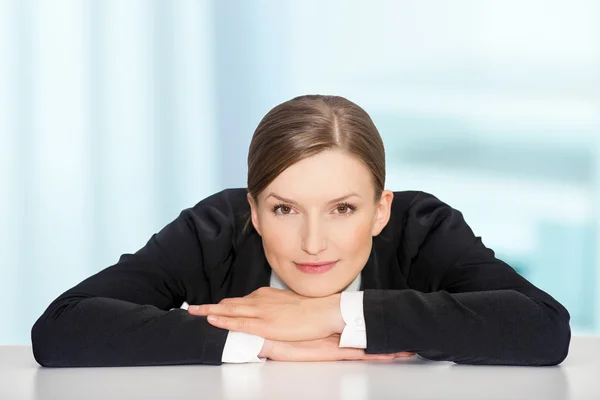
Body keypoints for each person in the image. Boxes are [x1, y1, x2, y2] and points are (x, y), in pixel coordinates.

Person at [31, 95, 571, 367]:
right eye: (286, 210)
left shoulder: (421, 227)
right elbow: (60, 329)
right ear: (255, 211)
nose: (314, 243)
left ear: (381, 210)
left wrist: (329, 313)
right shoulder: (215, 228)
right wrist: (261, 341)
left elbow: (543, 328)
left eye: (343, 209)